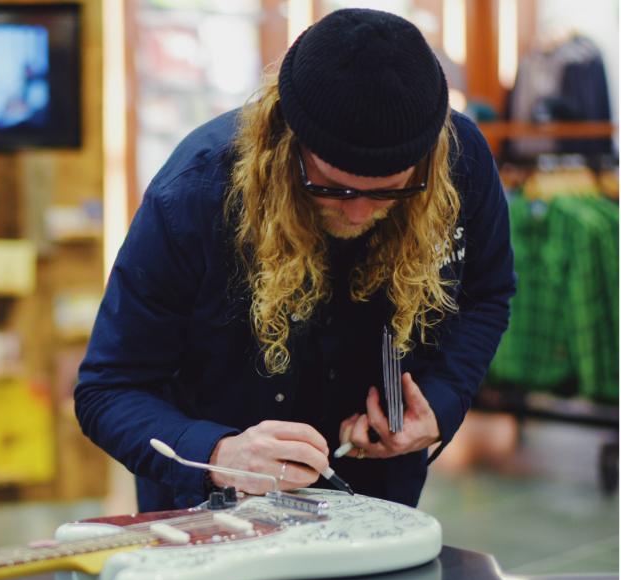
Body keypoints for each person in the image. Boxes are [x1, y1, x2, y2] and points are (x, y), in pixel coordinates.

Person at [75, 8, 516, 512]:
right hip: (214, 509)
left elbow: (487, 293)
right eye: (332, 186)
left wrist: (440, 402)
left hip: (377, 498)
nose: (357, 211)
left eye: (389, 191)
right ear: (288, 140)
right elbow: (108, 390)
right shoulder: (194, 197)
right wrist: (220, 453)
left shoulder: (461, 162)